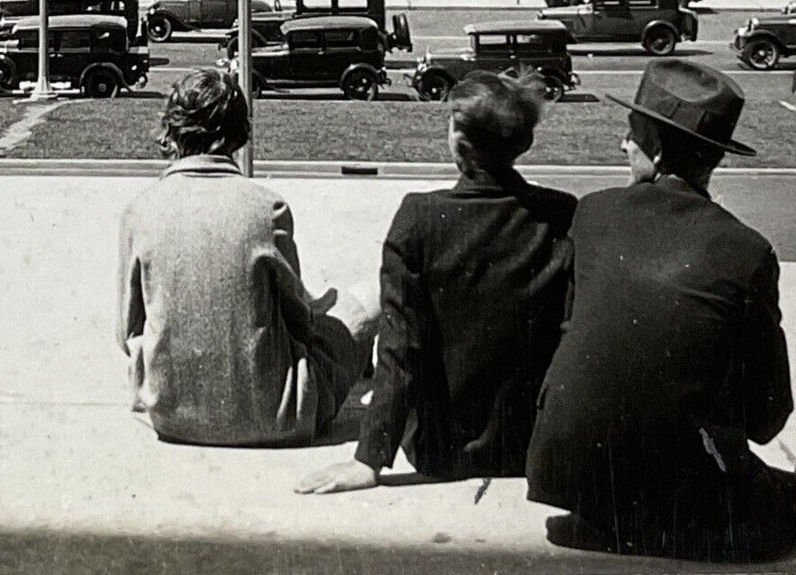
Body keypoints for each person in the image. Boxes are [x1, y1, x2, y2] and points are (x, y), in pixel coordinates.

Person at [526, 61, 796, 563]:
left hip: (573, 484)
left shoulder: (593, 212)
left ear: (659, 151)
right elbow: (769, 417)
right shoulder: (746, 249)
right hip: (681, 500)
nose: (622, 145)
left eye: (631, 135)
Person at [296, 72, 575, 495]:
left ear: (459, 144)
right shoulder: (561, 214)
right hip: (529, 446)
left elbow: (399, 348)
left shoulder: (419, 219)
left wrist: (370, 458)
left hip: (441, 450)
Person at [117, 68, 377, 447]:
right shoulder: (266, 208)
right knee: (367, 299)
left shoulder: (138, 211)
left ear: (172, 132)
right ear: (238, 132)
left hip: (172, 417)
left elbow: (127, 332)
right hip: (279, 416)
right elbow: (301, 324)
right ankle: (358, 369)